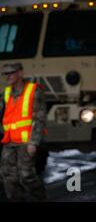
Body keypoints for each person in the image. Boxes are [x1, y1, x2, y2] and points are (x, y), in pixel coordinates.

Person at [0, 62, 47, 201]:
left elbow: (39, 119)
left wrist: (34, 142)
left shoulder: (34, 91)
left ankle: (41, 198)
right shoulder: (6, 92)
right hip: (9, 141)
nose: (7, 76)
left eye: (11, 73)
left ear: (20, 73)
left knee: (27, 177)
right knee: (8, 178)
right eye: (6, 74)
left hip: (26, 142)